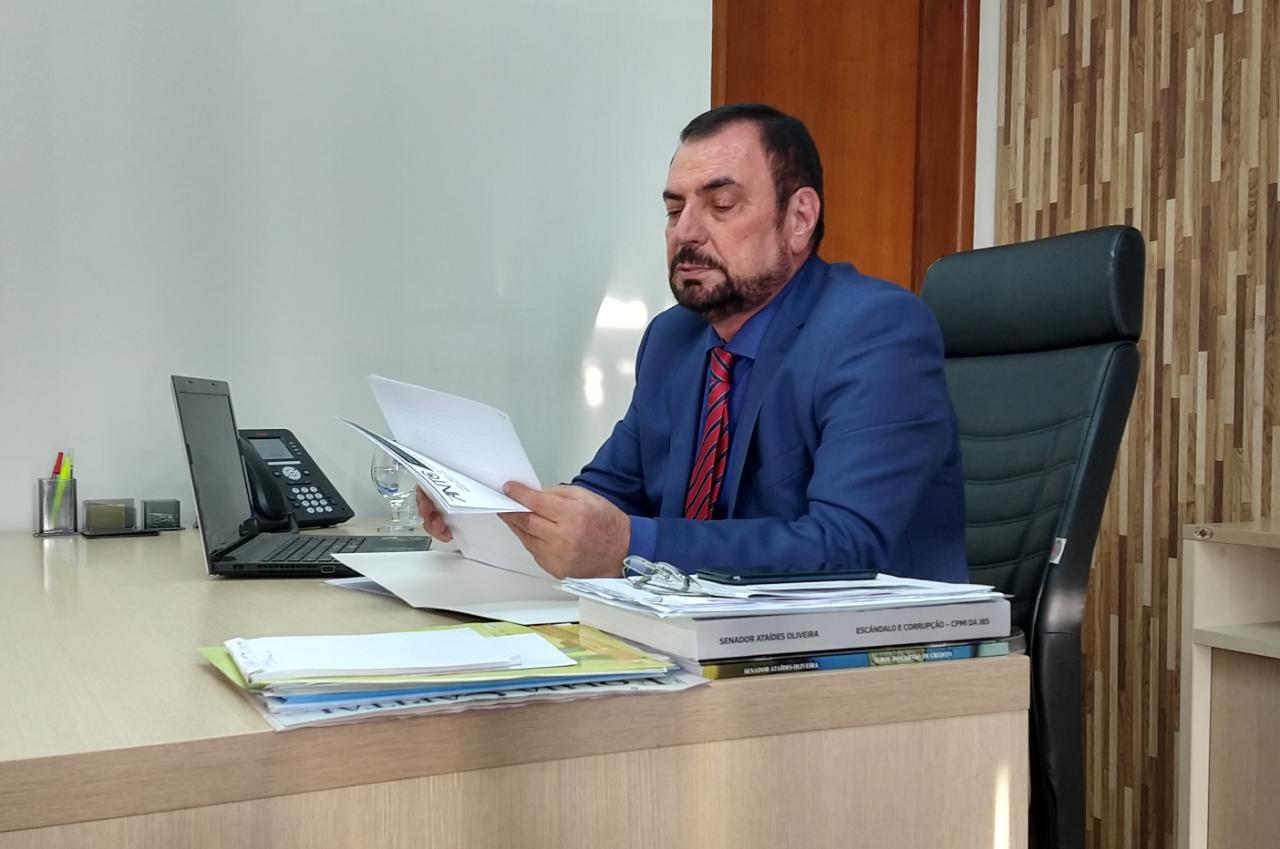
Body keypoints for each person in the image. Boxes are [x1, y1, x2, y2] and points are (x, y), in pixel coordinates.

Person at [418, 103, 967, 582]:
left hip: (872, 651)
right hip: (698, 637)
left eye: (721, 205)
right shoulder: (673, 339)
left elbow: (846, 544)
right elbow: (611, 494)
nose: (685, 232)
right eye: (675, 210)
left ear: (799, 218)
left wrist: (629, 544)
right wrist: (498, 514)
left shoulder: (875, 329)